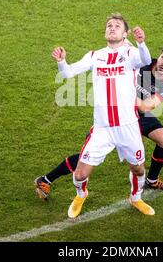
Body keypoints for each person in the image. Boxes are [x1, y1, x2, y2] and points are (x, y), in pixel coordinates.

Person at [36, 43, 163, 206]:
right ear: (159, 56)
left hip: (139, 115)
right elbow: (123, 51)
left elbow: (145, 106)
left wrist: (127, 94)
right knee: (87, 158)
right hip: (115, 115)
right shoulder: (141, 62)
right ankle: (45, 180)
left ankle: (151, 180)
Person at [51, 13, 154, 218]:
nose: (112, 27)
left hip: (128, 126)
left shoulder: (132, 53)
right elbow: (68, 73)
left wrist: (141, 43)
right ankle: (81, 194)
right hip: (103, 128)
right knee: (80, 174)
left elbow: (146, 61)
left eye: (117, 26)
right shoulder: (95, 55)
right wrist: (62, 62)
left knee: (138, 169)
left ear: (125, 33)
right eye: (109, 25)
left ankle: (136, 197)